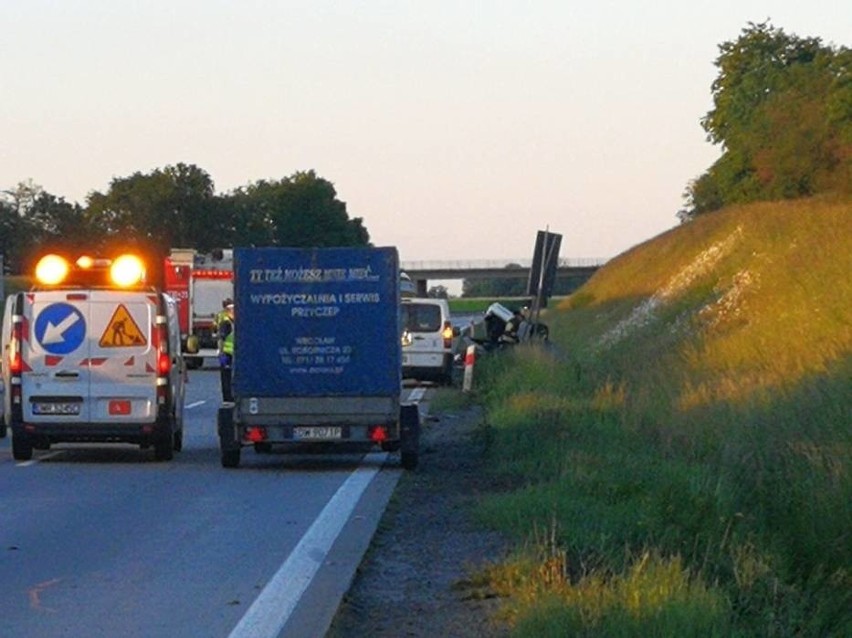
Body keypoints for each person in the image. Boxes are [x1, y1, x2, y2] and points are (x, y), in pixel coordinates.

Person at [218, 302, 235, 402]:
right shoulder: (226, 323)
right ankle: (227, 397)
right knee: (225, 376)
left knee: (231, 376)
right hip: (226, 354)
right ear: (229, 312)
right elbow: (221, 339)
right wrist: (221, 355)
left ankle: (231, 396)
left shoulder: (232, 322)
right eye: (233, 311)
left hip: (232, 354)